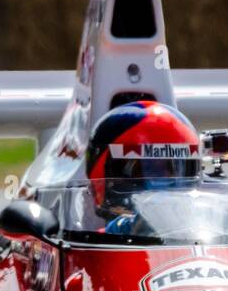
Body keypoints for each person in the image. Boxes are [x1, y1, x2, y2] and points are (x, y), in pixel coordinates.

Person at [84, 100, 202, 236]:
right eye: (150, 169)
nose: (165, 179)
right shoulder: (89, 248)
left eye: (174, 169)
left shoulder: (213, 236)